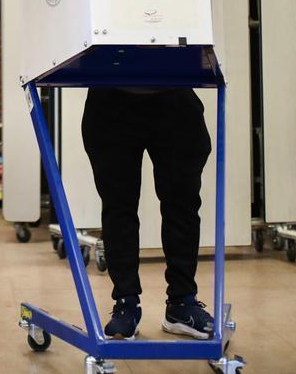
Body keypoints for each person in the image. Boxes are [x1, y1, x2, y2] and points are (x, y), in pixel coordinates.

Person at [81, 87, 215, 340]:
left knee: (182, 204)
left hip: (173, 93)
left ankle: (182, 303)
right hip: (111, 95)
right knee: (118, 207)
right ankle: (126, 303)